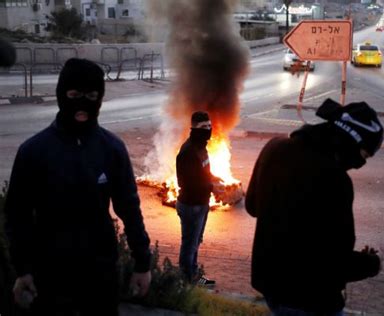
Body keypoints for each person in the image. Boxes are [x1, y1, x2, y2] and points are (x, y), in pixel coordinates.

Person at [4, 58, 152, 316]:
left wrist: (142, 263)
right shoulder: (34, 151)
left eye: (92, 96)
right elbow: (18, 215)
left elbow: (129, 207)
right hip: (49, 272)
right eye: (74, 95)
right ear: (62, 94)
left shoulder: (112, 149)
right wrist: (23, 269)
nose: (82, 104)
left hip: (100, 272)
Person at [245, 98, 384, 316]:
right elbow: (334, 263)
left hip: (272, 286)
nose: (360, 165)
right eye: (363, 155)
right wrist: (371, 264)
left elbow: (253, 207)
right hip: (311, 299)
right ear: (350, 141)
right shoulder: (336, 180)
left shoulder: (274, 147)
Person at [175, 111, 223, 287]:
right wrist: (212, 187)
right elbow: (187, 183)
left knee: (195, 242)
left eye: (209, 126)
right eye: (204, 127)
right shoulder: (188, 151)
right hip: (190, 205)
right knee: (189, 245)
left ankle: (194, 276)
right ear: (193, 127)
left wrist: (214, 179)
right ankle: (186, 282)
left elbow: (203, 173)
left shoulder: (201, 147)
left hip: (202, 204)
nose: (208, 129)